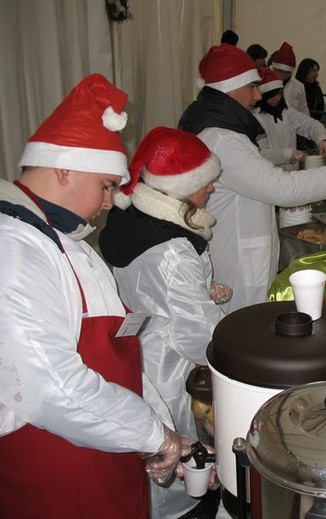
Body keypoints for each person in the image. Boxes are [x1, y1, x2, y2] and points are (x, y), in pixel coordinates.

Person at [0, 74, 193, 518]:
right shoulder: (14, 248)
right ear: (65, 167)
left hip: (109, 460)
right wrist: (152, 434)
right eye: (107, 185)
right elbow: (52, 387)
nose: (110, 202)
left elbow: (120, 349)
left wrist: (158, 428)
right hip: (58, 477)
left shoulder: (67, 243)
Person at [178, 44, 326, 313]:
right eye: (252, 87)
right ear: (230, 90)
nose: (257, 95)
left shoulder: (225, 132)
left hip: (242, 252)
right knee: (241, 332)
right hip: (237, 262)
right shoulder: (222, 140)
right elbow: (280, 188)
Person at [98, 127, 224, 519]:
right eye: (207, 183)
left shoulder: (136, 219)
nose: (212, 190)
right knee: (170, 456)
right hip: (166, 364)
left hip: (141, 343)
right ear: (183, 190)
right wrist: (245, 350)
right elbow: (198, 334)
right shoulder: (173, 249)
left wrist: (201, 289)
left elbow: (153, 288)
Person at [253, 67, 326, 170]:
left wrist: (322, 139)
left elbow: (309, 124)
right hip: (269, 172)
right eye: (272, 96)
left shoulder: (286, 110)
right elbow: (261, 152)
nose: (277, 99)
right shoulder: (256, 116)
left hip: (291, 171)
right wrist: (288, 154)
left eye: (279, 94)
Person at [271, 41, 310, 116]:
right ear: (273, 68)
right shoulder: (262, 81)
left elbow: (304, 111)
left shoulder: (299, 86)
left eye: (287, 73)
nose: (282, 76)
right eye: (280, 71)